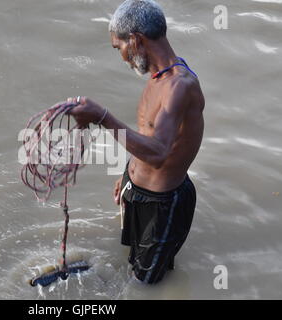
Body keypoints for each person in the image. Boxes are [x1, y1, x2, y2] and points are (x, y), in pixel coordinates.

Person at [67, 0, 205, 284]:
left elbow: (159, 153)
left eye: (119, 48)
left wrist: (102, 116)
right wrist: (127, 174)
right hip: (137, 190)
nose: (122, 57)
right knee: (134, 261)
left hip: (163, 205)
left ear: (136, 40)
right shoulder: (158, 77)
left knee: (144, 283)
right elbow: (148, 135)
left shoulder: (180, 86)